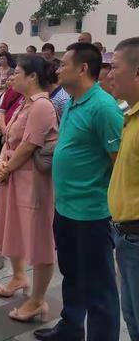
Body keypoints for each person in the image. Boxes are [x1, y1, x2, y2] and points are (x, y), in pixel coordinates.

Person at [34, 43, 122, 341]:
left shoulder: (104, 107)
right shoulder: (72, 100)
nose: (58, 69)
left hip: (93, 214)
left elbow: (118, 163)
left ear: (83, 69)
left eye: (64, 64)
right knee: (72, 275)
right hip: (66, 209)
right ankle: (71, 328)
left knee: (99, 286)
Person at [0, 55, 58, 323]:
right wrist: (0, 161)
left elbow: (29, 145)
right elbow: (10, 139)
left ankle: (38, 300)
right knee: (13, 229)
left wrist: (6, 168)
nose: (12, 76)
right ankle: (19, 276)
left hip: (32, 183)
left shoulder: (42, 106)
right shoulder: (23, 103)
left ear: (32, 77)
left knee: (41, 240)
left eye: (17, 72)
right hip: (15, 178)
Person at [107, 37, 139, 341]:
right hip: (124, 235)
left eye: (115, 67)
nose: (109, 73)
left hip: (136, 235)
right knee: (130, 315)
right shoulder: (128, 115)